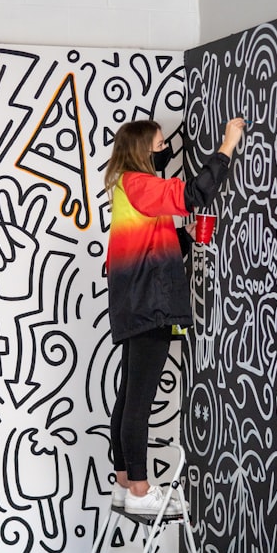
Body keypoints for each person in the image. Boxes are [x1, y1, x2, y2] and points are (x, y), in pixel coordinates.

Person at [104, 117, 244, 514]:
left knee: (128, 396)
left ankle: (123, 483)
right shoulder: (141, 184)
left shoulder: (127, 186)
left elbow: (154, 245)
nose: (165, 148)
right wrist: (228, 144)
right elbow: (197, 192)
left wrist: (188, 236)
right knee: (139, 403)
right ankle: (140, 489)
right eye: (160, 143)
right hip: (151, 305)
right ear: (144, 150)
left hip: (135, 301)